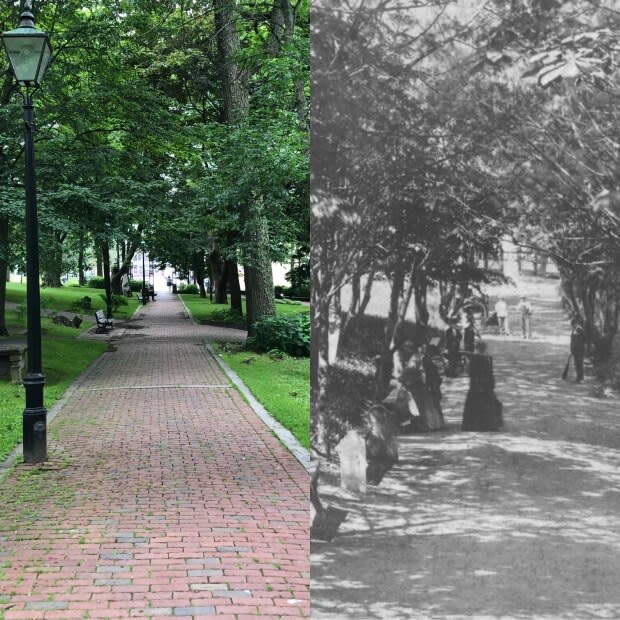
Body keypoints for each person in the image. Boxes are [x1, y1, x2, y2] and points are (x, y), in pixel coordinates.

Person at [461, 341, 503, 431]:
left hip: (475, 385)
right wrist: (491, 384)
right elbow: (489, 373)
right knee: (488, 405)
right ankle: (486, 425)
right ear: (484, 348)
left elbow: (469, 372)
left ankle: (473, 425)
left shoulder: (474, 358)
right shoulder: (486, 358)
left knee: (474, 405)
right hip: (485, 385)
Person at [570, 318, 586, 383]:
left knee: (579, 363)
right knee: (577, 363)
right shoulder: (574, 329)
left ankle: (580, 378)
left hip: (579, 349)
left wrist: (574, 348)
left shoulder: (579, 329)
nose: (573, 326)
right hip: (576, 349)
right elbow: (573, 340)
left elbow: (582, 339)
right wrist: (572, 349)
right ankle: (579, 377)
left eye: (573, 324)